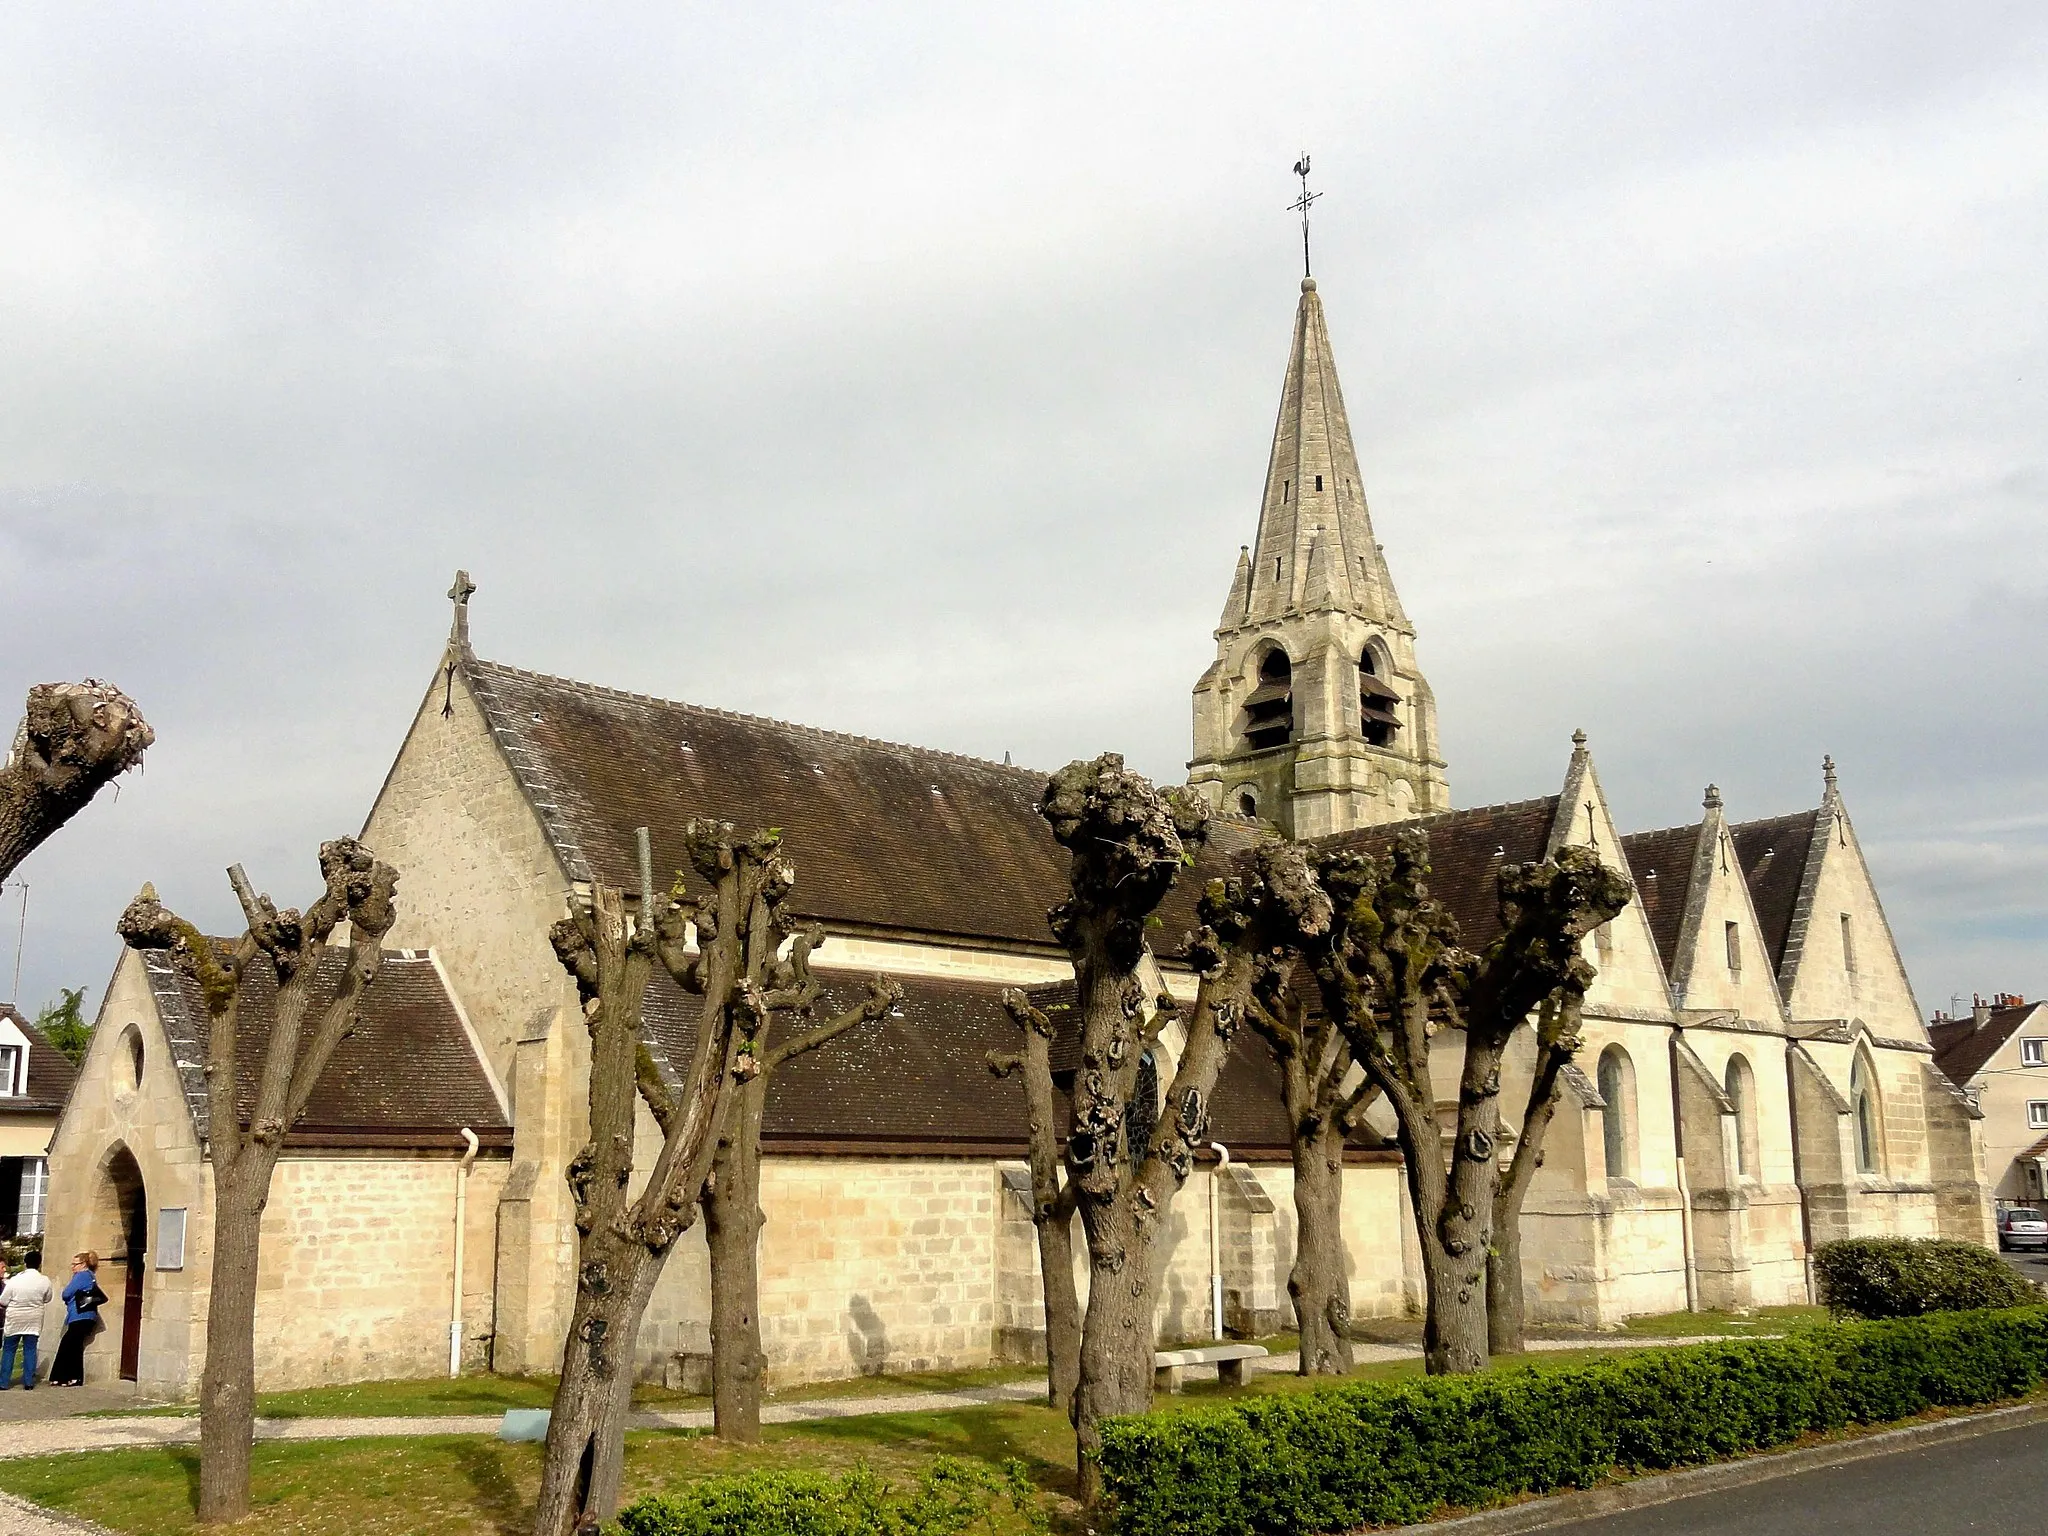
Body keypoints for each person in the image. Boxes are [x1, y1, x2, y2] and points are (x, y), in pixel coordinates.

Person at [48, 1253, 107, 1387]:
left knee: (68, 1344)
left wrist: (67, 1297)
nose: (73, 1267)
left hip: (79, 1315)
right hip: (87, 1316)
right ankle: (71, 1377)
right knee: (75, 1346)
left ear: (84, 1264)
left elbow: (66, 1293)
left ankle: (65, 1376)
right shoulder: (91, 1276)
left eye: (75, 1264)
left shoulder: (82, 1276)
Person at [0, 1250, 54, 1390]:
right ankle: (29, 1381)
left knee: (9, 1349)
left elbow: (4, 1300)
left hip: (15, 1317)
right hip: (34, 1318)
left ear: (25, 1263)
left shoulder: (15, 1280)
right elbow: (48, 1298)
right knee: (30, 1349)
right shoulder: (44, 1280)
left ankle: (4, 1381)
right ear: (39, 1263)